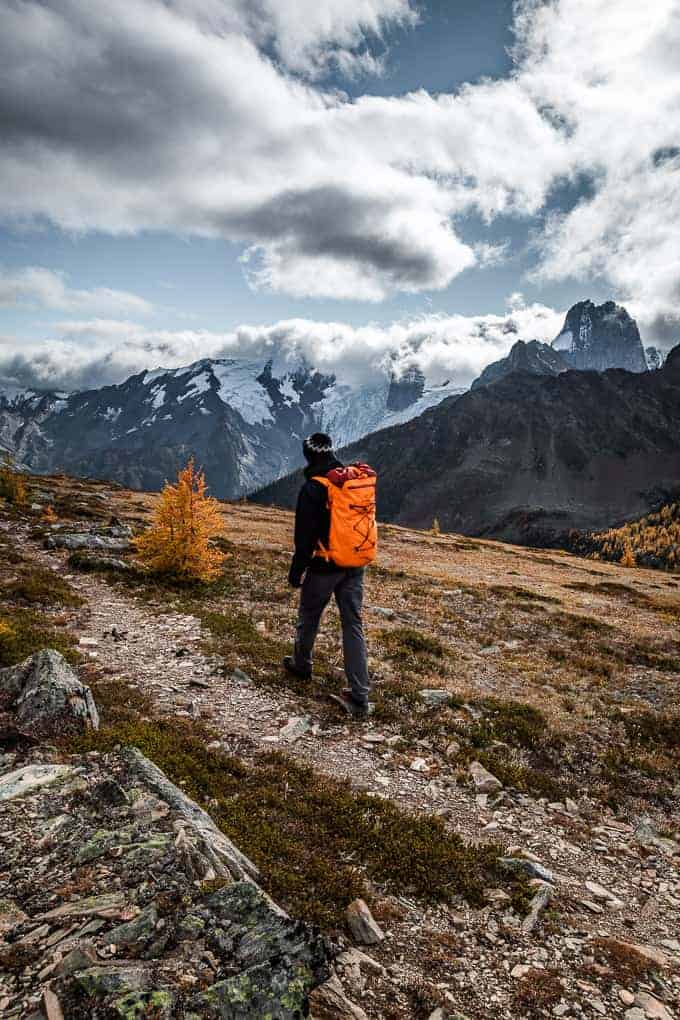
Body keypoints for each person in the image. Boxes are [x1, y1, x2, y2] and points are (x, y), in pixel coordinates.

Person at [283, 432, 375, 718]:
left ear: (308, 455)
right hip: (354, 563)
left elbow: (304, 538)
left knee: (309, 616)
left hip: (325, 566)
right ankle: (360, 695)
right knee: (353, 624)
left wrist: (297, 570)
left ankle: (302, 665)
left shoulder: (313, 488)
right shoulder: (348, 480)